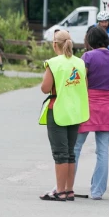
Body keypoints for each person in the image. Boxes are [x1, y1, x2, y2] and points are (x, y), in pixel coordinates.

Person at [39, 29, 89, 201]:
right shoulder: (80, 63)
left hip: (58, 110)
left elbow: (45, 88)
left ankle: (59, 191)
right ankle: (69, 190)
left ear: (55, 44)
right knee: (70, 153)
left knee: (60, 154)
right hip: (75, 112)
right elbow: (84, 85)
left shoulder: (53, 63)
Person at [74, 26, 109, 200]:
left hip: (88, 105)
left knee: (76, 147)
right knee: (103, 151)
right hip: (107, 105)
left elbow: (80, 81)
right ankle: (97, 191)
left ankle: (67, 186)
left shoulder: (87, 56)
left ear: (90, 40)